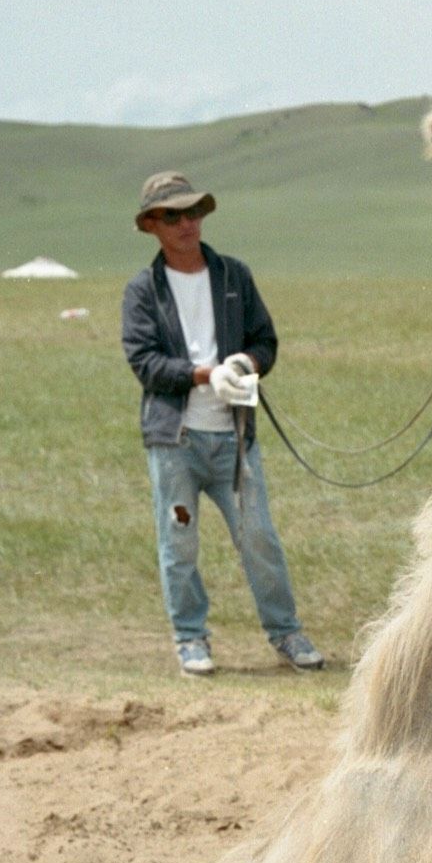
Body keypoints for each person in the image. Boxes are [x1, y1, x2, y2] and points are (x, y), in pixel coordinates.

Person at [119, 170, 324, 676]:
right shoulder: (143, 290)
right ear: (151, 225)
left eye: (194, 212)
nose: (187, 223)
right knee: (179, 541)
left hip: (235, 439)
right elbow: (144, 362)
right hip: (176, 441)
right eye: (173, 215)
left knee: (259, 537)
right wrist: (205, 374)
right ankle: (190, 638)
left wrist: (245, 366)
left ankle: (286, 632)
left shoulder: (234, 276)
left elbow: (266, 342)